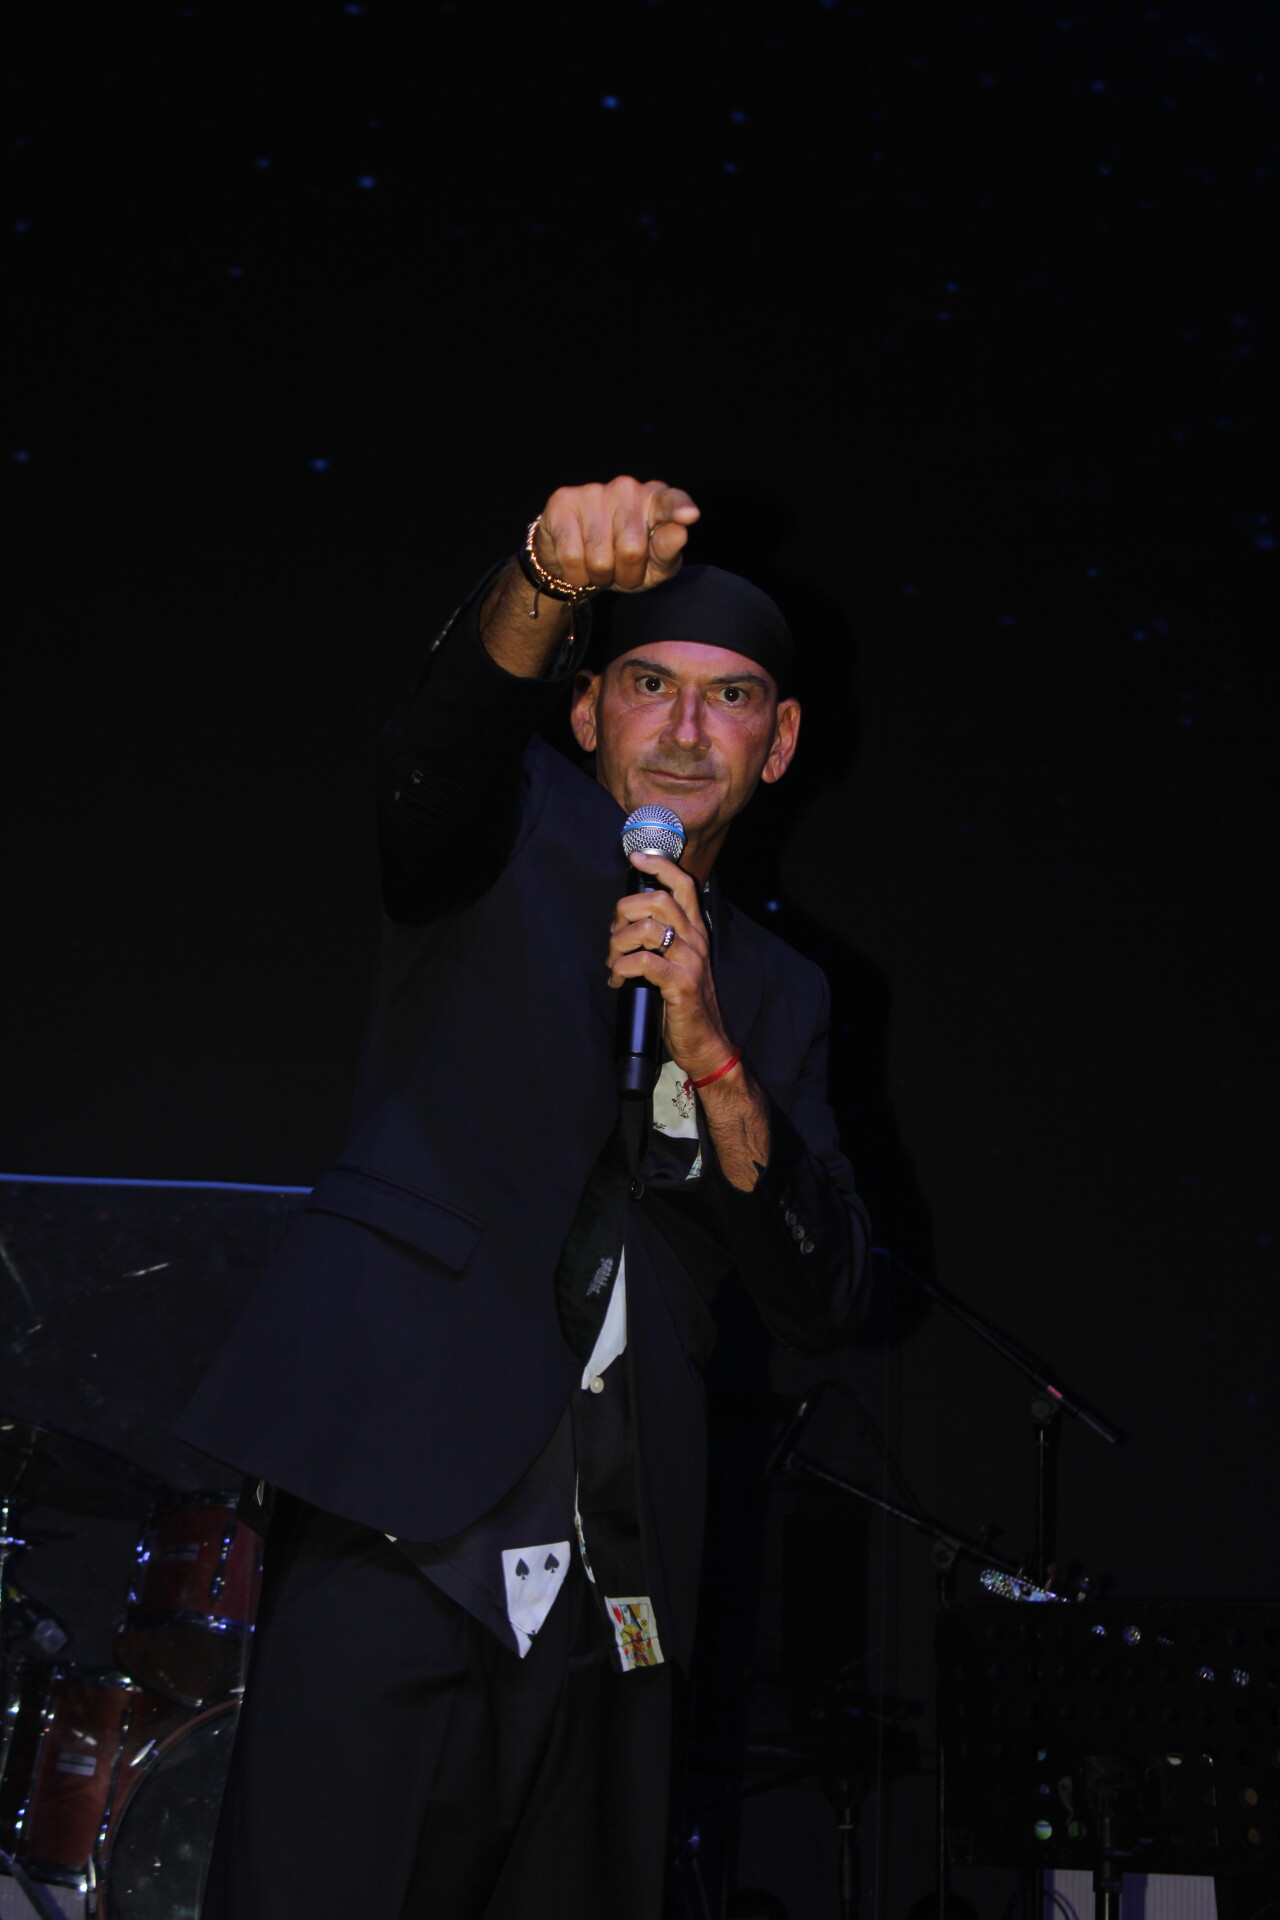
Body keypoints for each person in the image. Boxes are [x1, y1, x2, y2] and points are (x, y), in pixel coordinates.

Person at [180, 474, 870, 1918]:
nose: (686, 729)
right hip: (404, 1509)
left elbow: (825, 1288)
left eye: (732, 697)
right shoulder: (504, 835)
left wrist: (713, 1052)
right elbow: (438, 743)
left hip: (621, 1593)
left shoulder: (786, 995)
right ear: (586, 712)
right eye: (649, 685)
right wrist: (548, 577)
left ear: (782, 741)